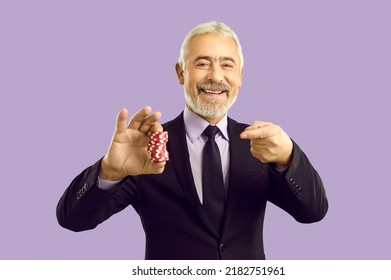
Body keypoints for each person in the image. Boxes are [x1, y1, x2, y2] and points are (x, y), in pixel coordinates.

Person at [56, 21, 328, 260]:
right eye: (202, 63)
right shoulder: (147, 147)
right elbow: (73, 220)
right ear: (180, 72)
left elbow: (313, 212)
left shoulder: (261, 144)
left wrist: (287, 156)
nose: (215, 76)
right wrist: (110, 171)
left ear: (240, 77)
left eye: (227, 64)